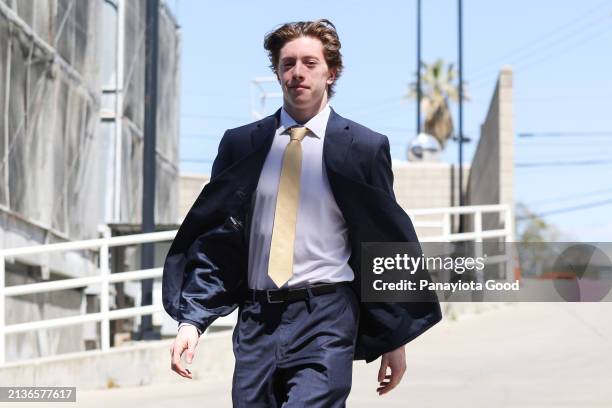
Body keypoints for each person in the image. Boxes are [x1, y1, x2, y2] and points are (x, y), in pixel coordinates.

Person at [163, 19, 441, 407]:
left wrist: (396, 338)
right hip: (257, 318)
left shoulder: (364, 147)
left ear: (332, 71)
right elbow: (217, 241)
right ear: (277, 72)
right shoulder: (242, 144)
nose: (297, 73)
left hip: (326, 315)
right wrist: (191, 321)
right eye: (287, 63)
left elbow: (384, 241)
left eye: (310, 62)